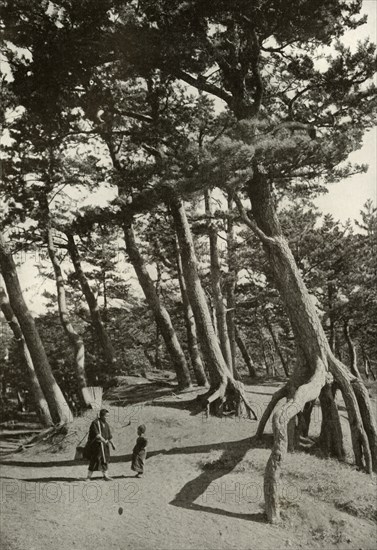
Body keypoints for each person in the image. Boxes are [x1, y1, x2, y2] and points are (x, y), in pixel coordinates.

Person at [86, 408, 115, 481]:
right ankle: (88, 477)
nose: (107, 418)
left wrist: (112, 444)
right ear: (101, 416)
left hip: (104, 446)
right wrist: (103, 440)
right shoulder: (95, 423)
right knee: (94, 460)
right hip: (97, 446)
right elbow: (97, 435)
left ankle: (105, 476)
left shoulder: (106, 424)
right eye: (106, 416)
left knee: (105, 460)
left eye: (108, 416)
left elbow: (109, 436)